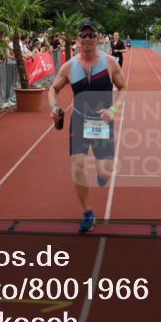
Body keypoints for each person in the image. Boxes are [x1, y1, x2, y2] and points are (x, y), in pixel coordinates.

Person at [48, 19, 127, 233]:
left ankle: (103, 173)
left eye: (92, 35)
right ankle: (87, 212)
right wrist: (54, 107)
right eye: (83, 35)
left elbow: (124, 89)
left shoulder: (110, 63)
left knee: (105, 170)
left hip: (103, 122)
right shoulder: (69, 66)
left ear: (98, 38)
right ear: (77, 39)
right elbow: (53, 89)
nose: (87, 39)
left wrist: (113, 110)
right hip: (80, 120)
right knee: (78, 165)